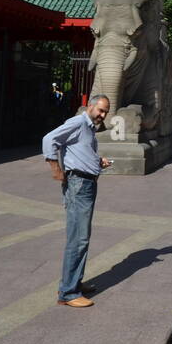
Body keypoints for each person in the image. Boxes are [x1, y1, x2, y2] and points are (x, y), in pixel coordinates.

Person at [43, 95, 112, 308]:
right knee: (78, 239)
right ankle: (68, 292)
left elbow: (79, 151)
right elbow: (49, 139)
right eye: (100, 110)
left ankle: (75, 283)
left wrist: (97, 161)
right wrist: (55, 169)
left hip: (86, 184)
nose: (103, 115)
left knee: (82, 237)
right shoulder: (78, 122)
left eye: (106, 112)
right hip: (79, 185)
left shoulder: (89, 128)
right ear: (90, 106)